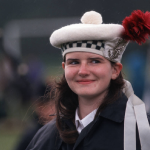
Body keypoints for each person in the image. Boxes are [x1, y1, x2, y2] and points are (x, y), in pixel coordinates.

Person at [26, 10, 150, 150]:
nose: (83, 71)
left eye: (95, 61)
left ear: (115, 70)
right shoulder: (45, 137)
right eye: (74, 62)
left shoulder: (143, 131)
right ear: (64, 68)